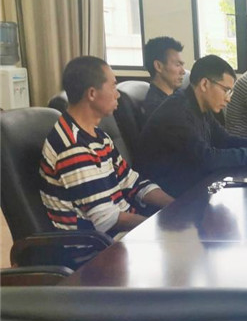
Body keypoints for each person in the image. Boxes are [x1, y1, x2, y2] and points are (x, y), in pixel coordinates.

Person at [39, 56, 174, 235]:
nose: (117, 94)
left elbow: (132, 182)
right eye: (113, 87)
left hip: (122, 233)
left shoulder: (98, 136)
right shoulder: (72, 146)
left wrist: (176, 206)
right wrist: (159, 227)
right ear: (92, 94)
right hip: (100, 246)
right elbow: (106, 219)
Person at [136, 55, 247, 197]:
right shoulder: (177, 112)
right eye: (226, 90)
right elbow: (207, 159)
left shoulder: (200, 107)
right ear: (205, 84)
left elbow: (225, 140)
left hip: (191, 182)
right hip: (167, 193)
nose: (228, 99)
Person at [142, 36, 186, 118]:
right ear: (158, 66)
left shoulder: (178, 95)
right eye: (177, 65)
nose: (183, 72)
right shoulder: (157, 108)